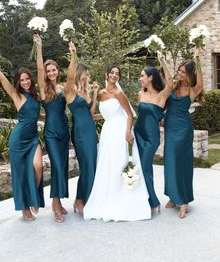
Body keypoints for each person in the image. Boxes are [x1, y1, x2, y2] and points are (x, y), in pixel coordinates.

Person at [83, 65, 151, 221]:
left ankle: (123, 197)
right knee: (107, 163)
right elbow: (98, 114)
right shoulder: (101, 93)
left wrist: (127, 132)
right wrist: (94, 96)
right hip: (108, 131)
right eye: (112, 72)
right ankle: (107, 196)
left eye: (117, 74)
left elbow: (129, 114)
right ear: (107, 74)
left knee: (120, 162)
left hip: (121, 131)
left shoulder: (119, 93)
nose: (114, 75)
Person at [0, 51, 44, 221]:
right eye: (21, 80)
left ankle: (33, 199)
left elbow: (35, 115)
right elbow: (1, 77)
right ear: (18, 82)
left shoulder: (35, 96)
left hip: (32, 139)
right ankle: (25, 207)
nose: (25, 82)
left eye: (27, 79)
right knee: (20, 174)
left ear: (30, 79)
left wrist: (52, 118)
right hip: (18, 140)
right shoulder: (17, 95)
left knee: (38, 166)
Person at [33, 34, 70, 223]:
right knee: (56, 165)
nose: (51, 73)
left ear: (58, 71)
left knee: (62, 168)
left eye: (53, 70)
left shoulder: (63, 89)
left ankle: (59, 202)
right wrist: (39, 47)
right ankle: (55, 207)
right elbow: (39, 69)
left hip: (64, 131)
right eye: (48, 71)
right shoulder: (43, 89)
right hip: (51, 134)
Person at [164, 49, 203, 219]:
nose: (179, 74)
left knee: (183, 163)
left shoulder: (193, 90)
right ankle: (173, 196)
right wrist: (161, 60)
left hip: (184, 128)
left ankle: (184, 201)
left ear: (189, 75)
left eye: (183, 72)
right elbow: (166, 83)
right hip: (170, 127)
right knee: (170, 161)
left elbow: (200, 83)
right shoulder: (173, 86)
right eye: (179, 71)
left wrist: (198, 60)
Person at [134, 54, 173, 212]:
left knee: (145, 167)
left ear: (151, 77)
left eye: (142, 75)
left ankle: (153, 201)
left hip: (151, 138)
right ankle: (145, 199)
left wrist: (162, 60)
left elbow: (170, 82)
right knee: (140, 167)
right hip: (138, 134)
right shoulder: (140, 94)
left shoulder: (161, 95)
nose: (140, 78)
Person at [64, 42, 98, 214]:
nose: (87, 75)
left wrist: (95, 93)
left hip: (91, 131)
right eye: (86, 72)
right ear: (80, 73)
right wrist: (72, 55)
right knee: (85, 166)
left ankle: (89, 198)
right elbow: (69, 77)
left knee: (93, 164)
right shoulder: (70, 91)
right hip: (79, 133)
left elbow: (91, 112)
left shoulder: (86, 92)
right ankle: (79, 200)